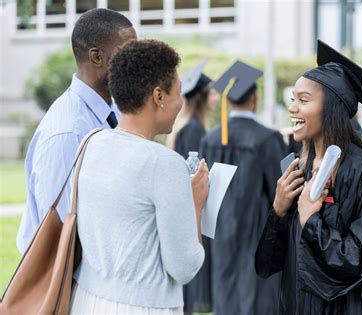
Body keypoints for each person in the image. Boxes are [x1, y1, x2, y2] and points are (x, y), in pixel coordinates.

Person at [255, 40, 362, 314]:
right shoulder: (299, 169)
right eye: (292, 99)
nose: (292, 108)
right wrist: (278, 210)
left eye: (303, 100)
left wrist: (311, 221)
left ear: (331, 107)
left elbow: (361, 261)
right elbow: (269, 265)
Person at [69, 40, 207, 314]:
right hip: (142, 306)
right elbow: (185, 267)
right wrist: (195, 205)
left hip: (85, 299)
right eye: (177, 93)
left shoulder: (91, 142)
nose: (180, 103)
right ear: (159, 96)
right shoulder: (164, 163)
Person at [16, 8, 137, 254]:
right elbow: (62, 236)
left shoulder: (112, 112)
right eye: (127, 52)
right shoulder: (68, 132)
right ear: (96, 57)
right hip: (67, 283)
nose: (135, 63)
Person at [199, 60, 287, 315]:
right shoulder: (268, 139)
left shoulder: (210, 139)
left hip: (220, 230)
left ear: (227, 102)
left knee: (226, 291)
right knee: (256, 295)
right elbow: (278, 192)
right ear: (255, 98)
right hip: (257, 232)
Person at [176, 62, 214, 314]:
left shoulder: (189, 126)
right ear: (201, 98)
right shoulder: (192, 130)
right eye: (211, 92)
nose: (215, 97)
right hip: (190, 208)